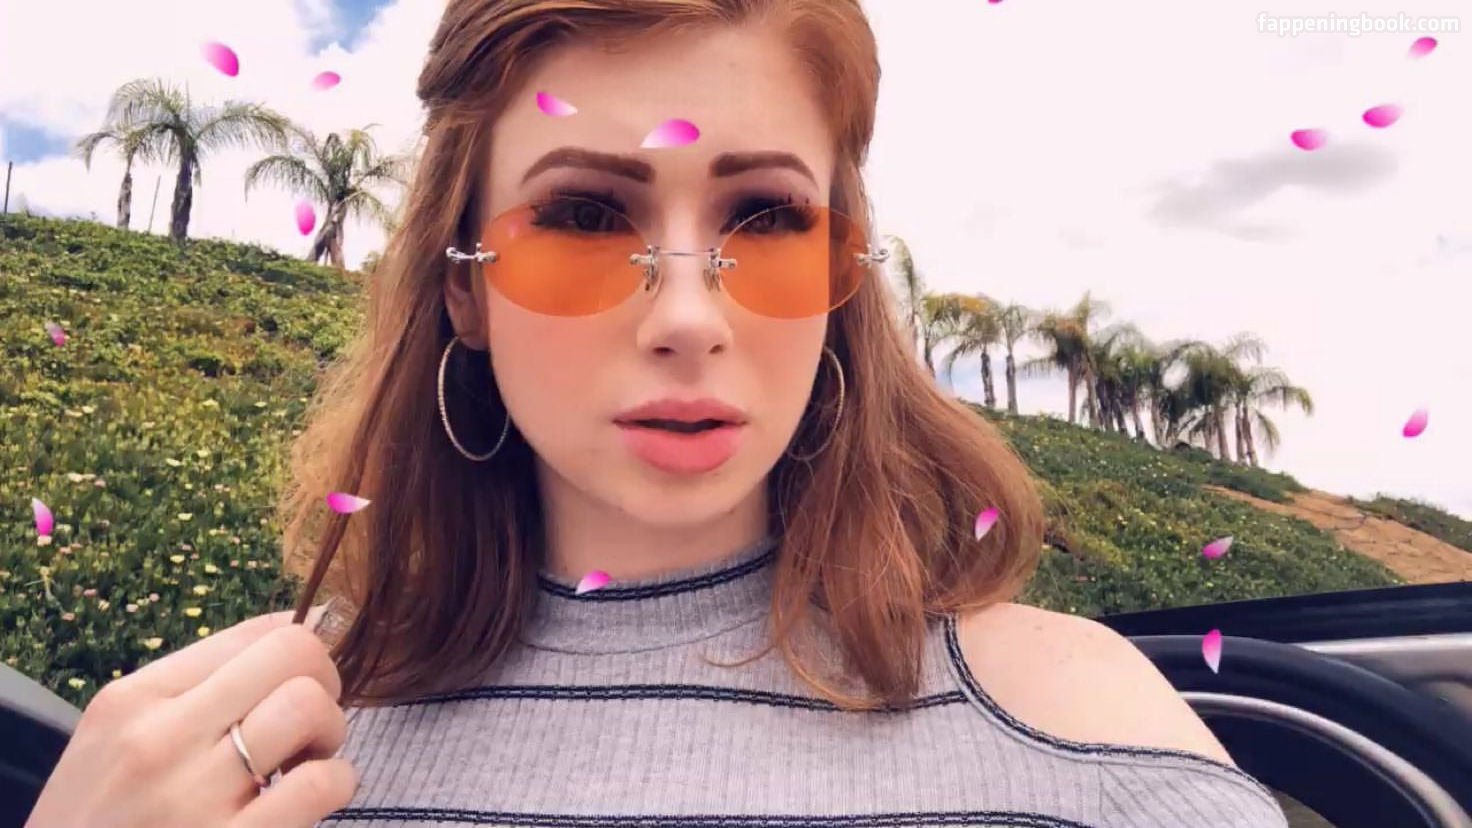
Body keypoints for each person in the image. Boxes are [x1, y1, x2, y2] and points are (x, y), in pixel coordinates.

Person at [27, 1, 1291, 826]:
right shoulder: (252, 749)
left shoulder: (1076, 735)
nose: (687, 314)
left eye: (767, 217)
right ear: (461, 288)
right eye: (583, 215)